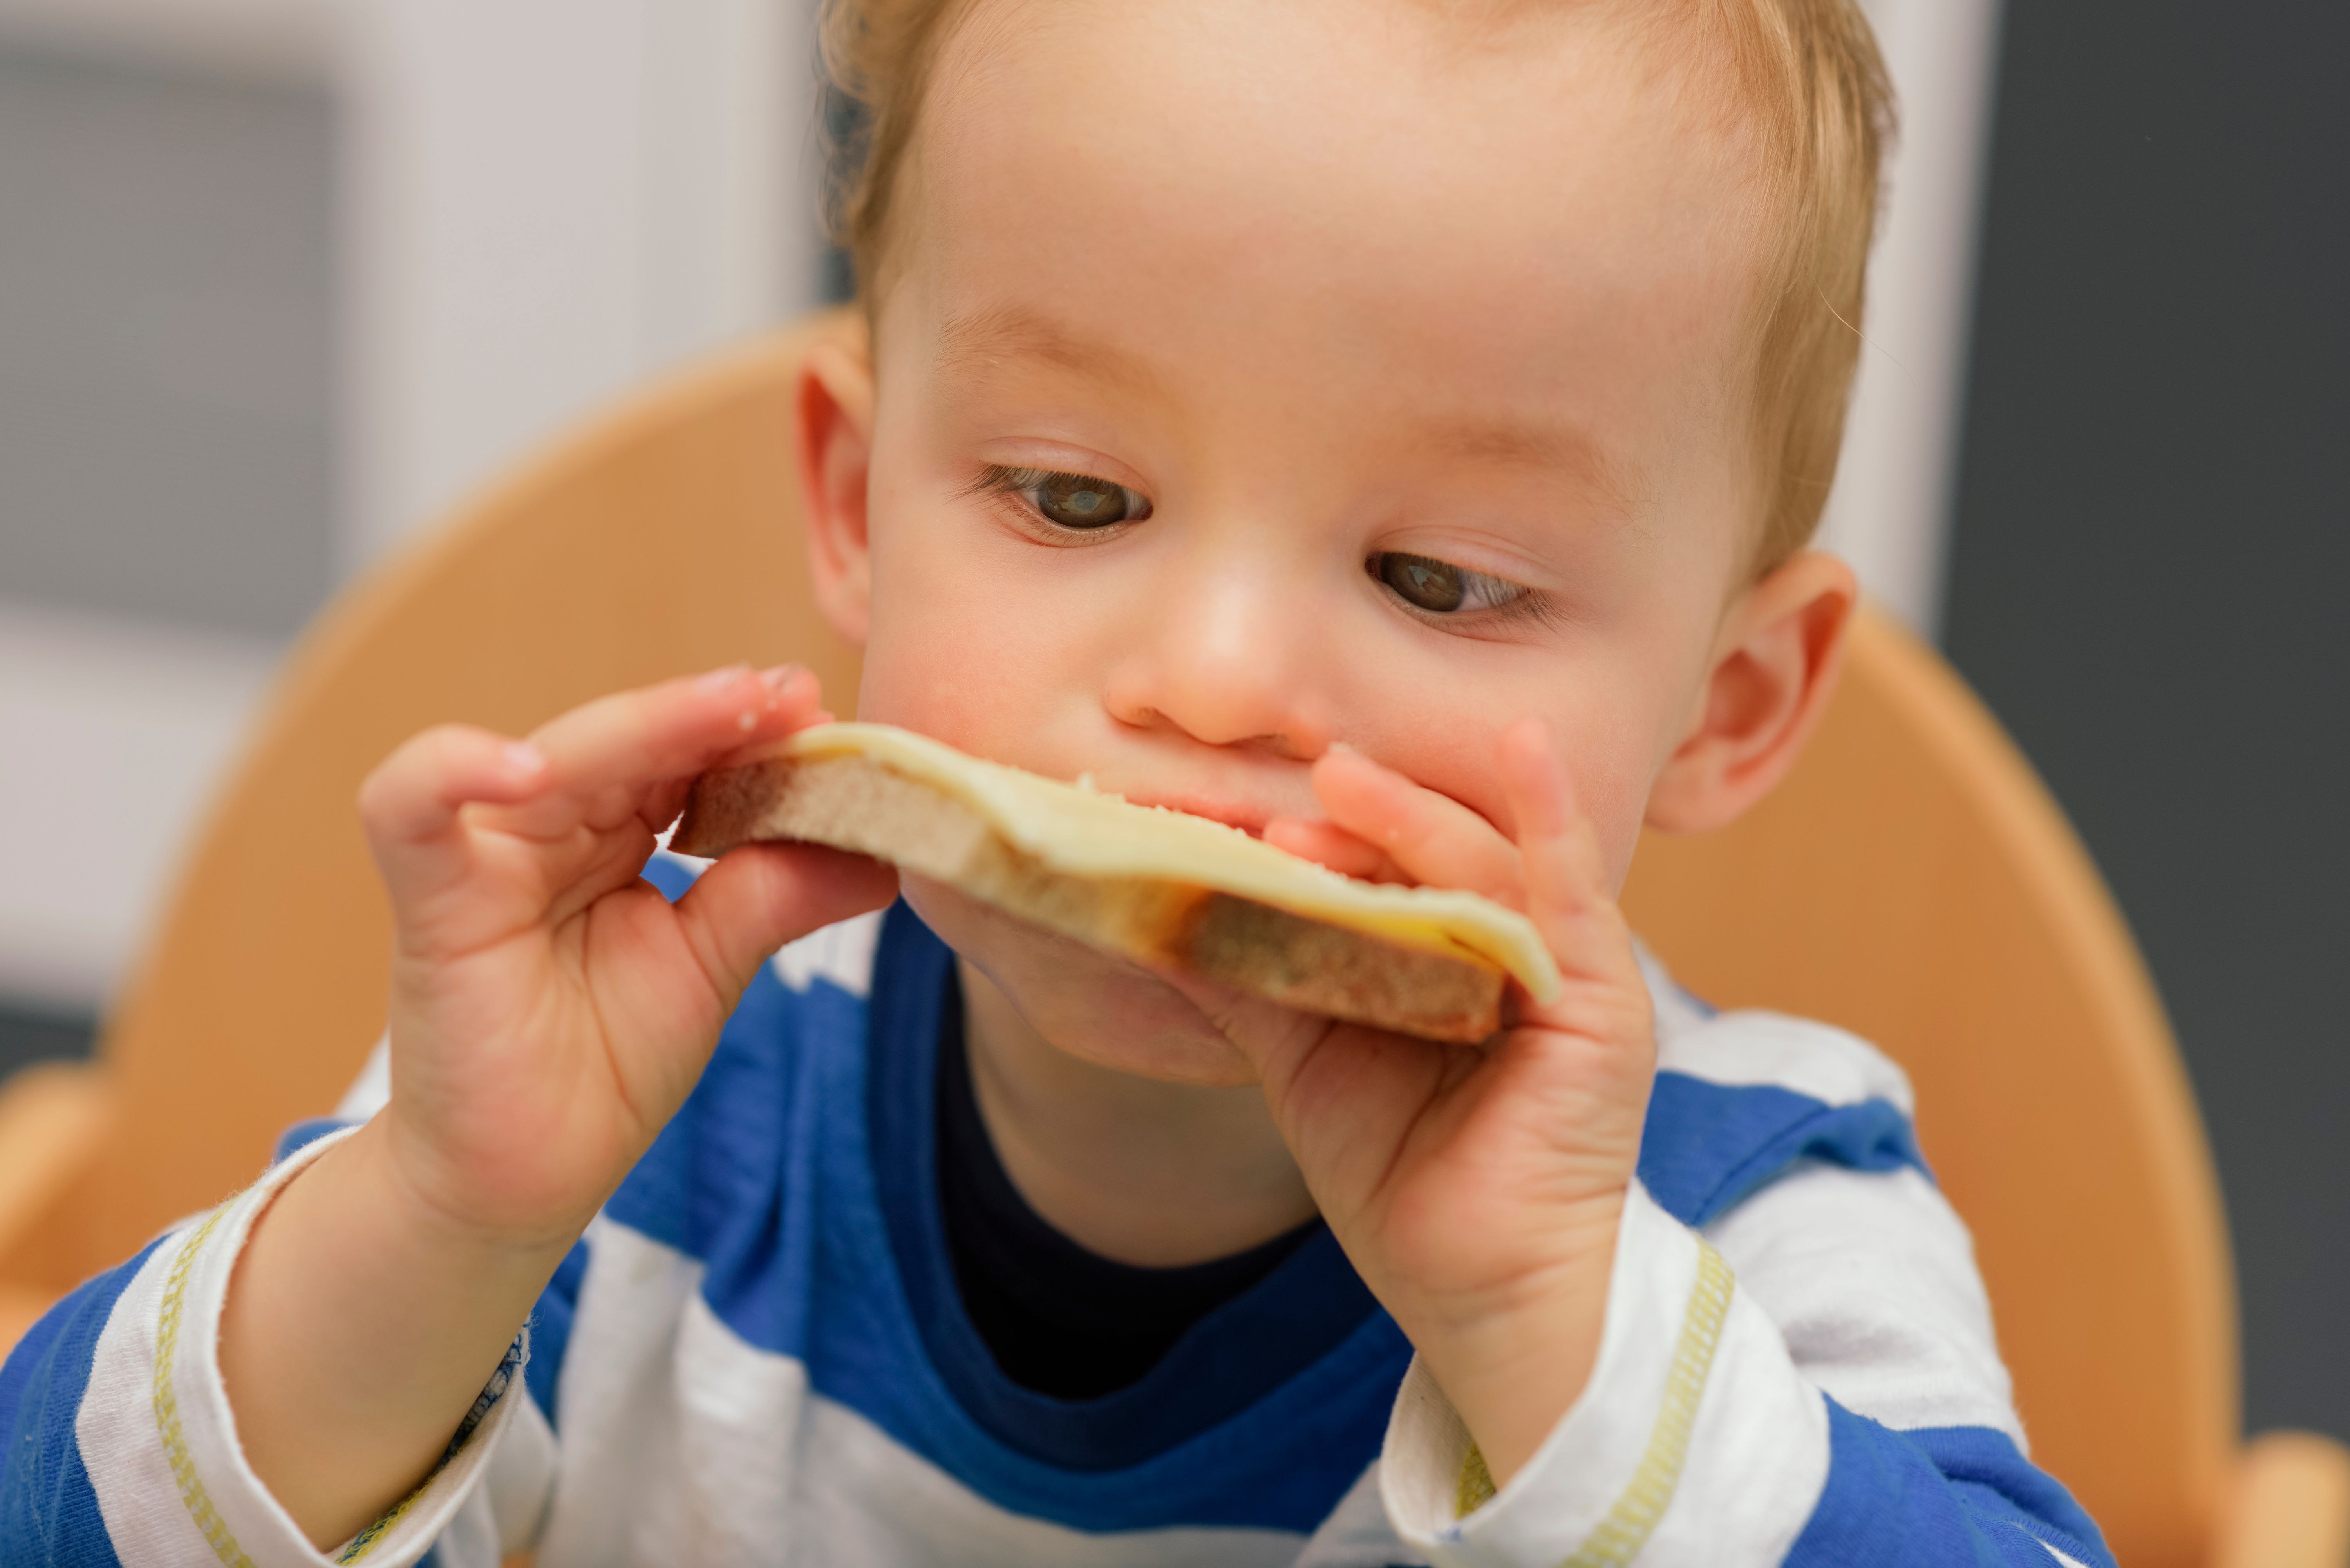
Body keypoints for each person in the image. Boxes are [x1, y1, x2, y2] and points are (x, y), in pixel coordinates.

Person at [0, 0, 2114, 1563]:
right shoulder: (635, 1128)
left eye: (1438, 577)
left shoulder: (1744, 1216)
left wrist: (1554, 1326)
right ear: (859, 502)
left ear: (1731, 702)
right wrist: (437, 1219)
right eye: (1078, 496)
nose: (1207, 684)